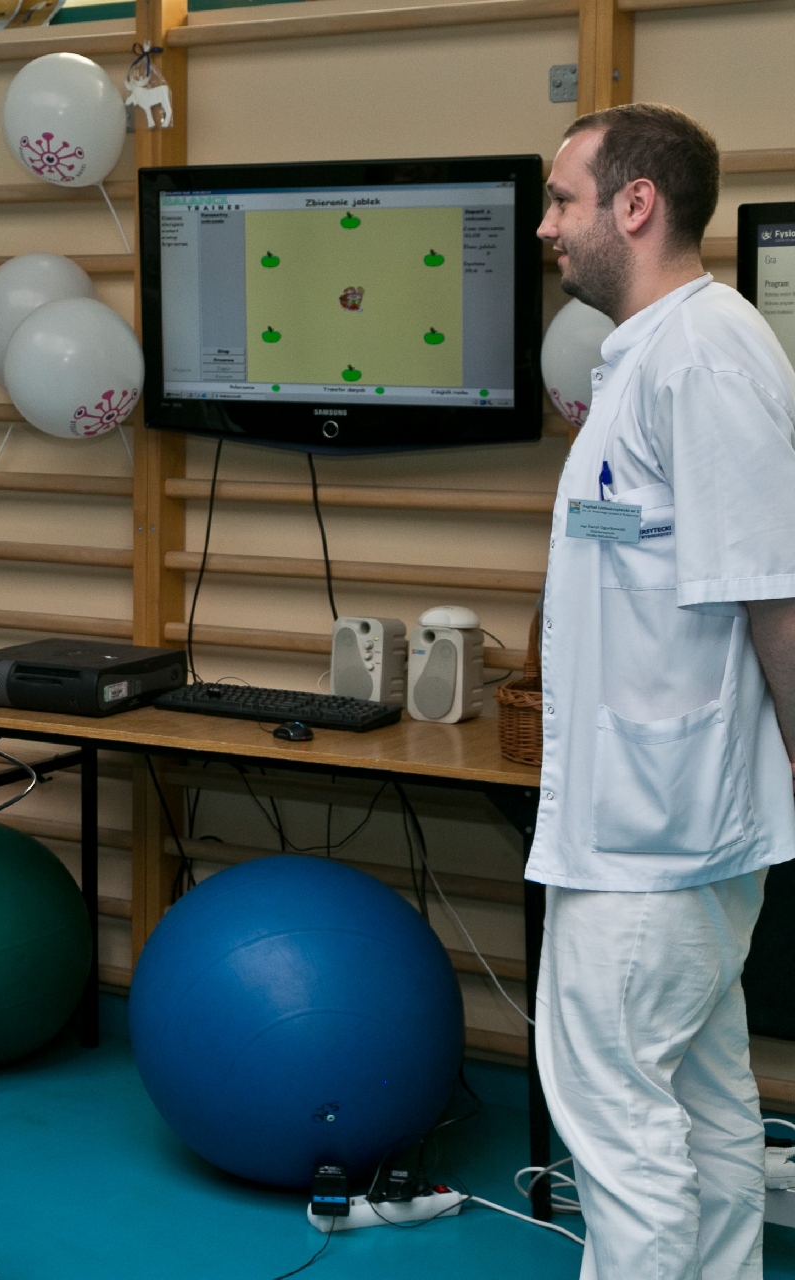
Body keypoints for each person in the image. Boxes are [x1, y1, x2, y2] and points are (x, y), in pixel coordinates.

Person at [533, 102, 795, 1279]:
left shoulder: (705, 356)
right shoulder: (650, 353)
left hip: (658, 835)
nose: (547, 226)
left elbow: (776, 590)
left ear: (635, 205)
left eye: (563, 200)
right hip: (652, 820)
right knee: (701, 1106)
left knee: (622, 1127)